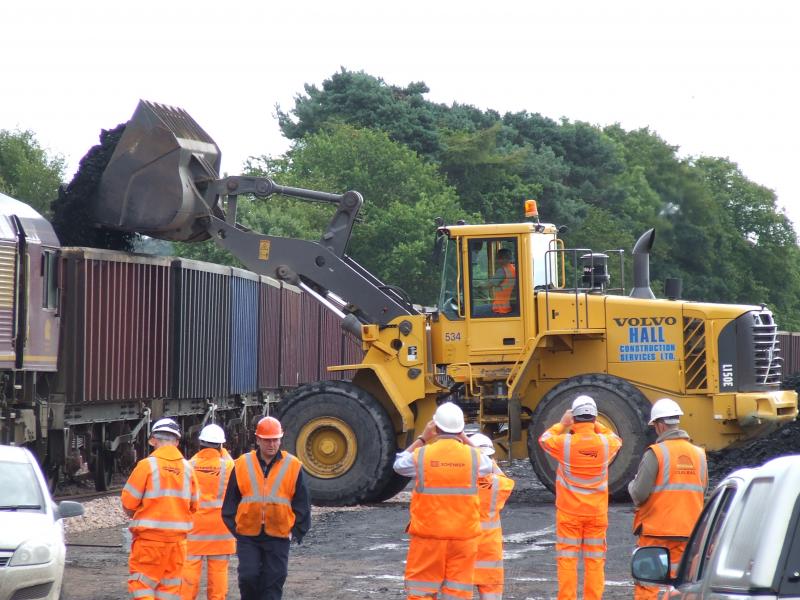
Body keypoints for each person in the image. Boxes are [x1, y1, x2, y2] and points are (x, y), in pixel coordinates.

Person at [393, 402, 495, 600]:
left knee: (421, 591)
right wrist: (465, 438)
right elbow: (488, 465)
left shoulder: (422, 455)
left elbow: (398, 465)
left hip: (429, 538)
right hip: (463, 538)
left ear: (435, 427)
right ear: (461, 429)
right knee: (458, 592)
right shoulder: (473, 457)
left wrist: (423, 438)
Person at [538, 395, 622, 600]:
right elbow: (617, 439)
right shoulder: (605, 443)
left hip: (569, 513)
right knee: (595, 560)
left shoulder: (564, 444)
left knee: (567, 559)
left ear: (574, 418)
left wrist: (562, 423)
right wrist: (595, 425)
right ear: (594, 418)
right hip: (596, 514)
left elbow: (544, 439)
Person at [221, 416, 311, 600]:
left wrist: (296, 531)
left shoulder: (293, 466)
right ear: (258, 440)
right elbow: (230, 502)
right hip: (248, 535)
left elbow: (302, 503)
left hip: (278, 535)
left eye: (275, 440)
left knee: (274, 582)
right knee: (248, 577)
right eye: (267, 440)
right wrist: (237, 528)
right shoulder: (242, 464)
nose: (272, 444)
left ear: (281, 439)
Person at [628, 398, 707, 600]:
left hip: (657, 531)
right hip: (689, 532)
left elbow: (639, 493)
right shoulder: (698, 454)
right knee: (682, 586)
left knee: (648, 584)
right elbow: (702, 489)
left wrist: (631, 485)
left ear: (660, 424)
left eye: (655, 425)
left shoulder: (656, 453)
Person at [121, 417, 199, 600]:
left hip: (150, 543)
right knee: (170, 590)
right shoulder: (188, 469)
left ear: (152, 440)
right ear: (177, 442)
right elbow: (194, 506)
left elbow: (128, 503)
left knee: (142, 585)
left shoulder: (147, 466)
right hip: (177, 545)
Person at [180, 424, 236, 600]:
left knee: (189, 569)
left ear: (200, 444)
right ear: (220, 446)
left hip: (194, 529)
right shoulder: (228, 466)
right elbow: (230, 462)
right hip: (221, 529)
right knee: (219, 572)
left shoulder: (189, 465)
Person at [469, 433, 515, 600]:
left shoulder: (461, 482)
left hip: (464, 547)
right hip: (489, 551)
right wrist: (491, 463)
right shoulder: (500, 484)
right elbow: (504, 479)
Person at [474, 248, 517, 317]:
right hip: (507, 307)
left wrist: (477, 285)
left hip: (500, 309)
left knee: (473, 311)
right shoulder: (512, 269)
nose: (497, 261)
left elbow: (489, 285)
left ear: (503, 258)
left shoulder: (502, 271)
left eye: (498, 258)